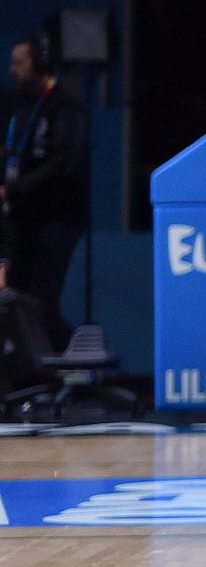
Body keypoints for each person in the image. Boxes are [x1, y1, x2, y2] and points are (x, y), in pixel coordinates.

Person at [3, 36, 89, 351]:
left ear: (39, 64)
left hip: (57, 220)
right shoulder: (19, 106)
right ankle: (31, 366)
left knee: (40, 300)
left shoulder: (64, 107)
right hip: (24, 219)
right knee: (16, 298)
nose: (12, 70)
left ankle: (71, 356)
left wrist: (17, 187)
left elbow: (65, 161)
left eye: (19, 62)